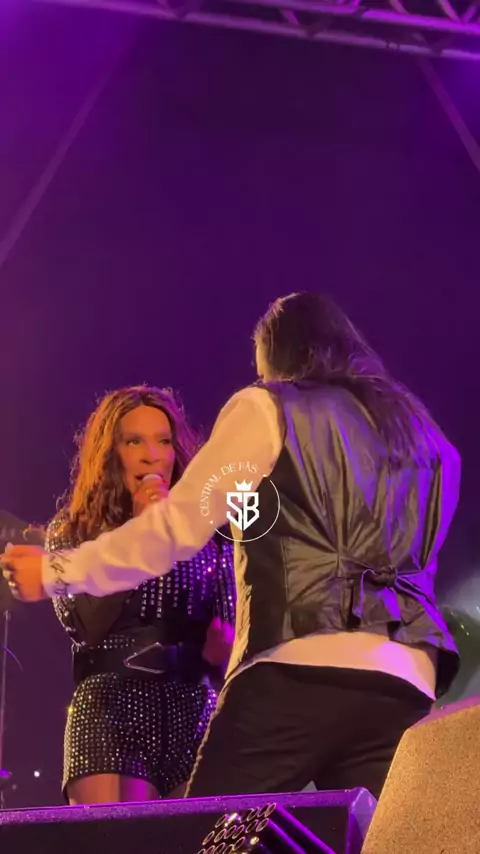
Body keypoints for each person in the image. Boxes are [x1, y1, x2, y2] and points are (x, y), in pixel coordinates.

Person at [2, 293, 460, 801]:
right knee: (374, 835)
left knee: (204, 832)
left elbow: (175, 528)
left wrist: (55, 572)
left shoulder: (268, 407)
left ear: (280, 360)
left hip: (297, 666)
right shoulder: (430, 441)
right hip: (406, 676)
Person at [32, 385, 235, 804]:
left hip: (192, 708)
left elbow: (229, 633)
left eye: (163, 441)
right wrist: (139, 533)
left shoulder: (209, 537)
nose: (152, 456)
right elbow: (85, 625)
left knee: (198, 834)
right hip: (109, 708)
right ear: (111, 455)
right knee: (118, 835)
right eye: (134, 442)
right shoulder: (72, 531)